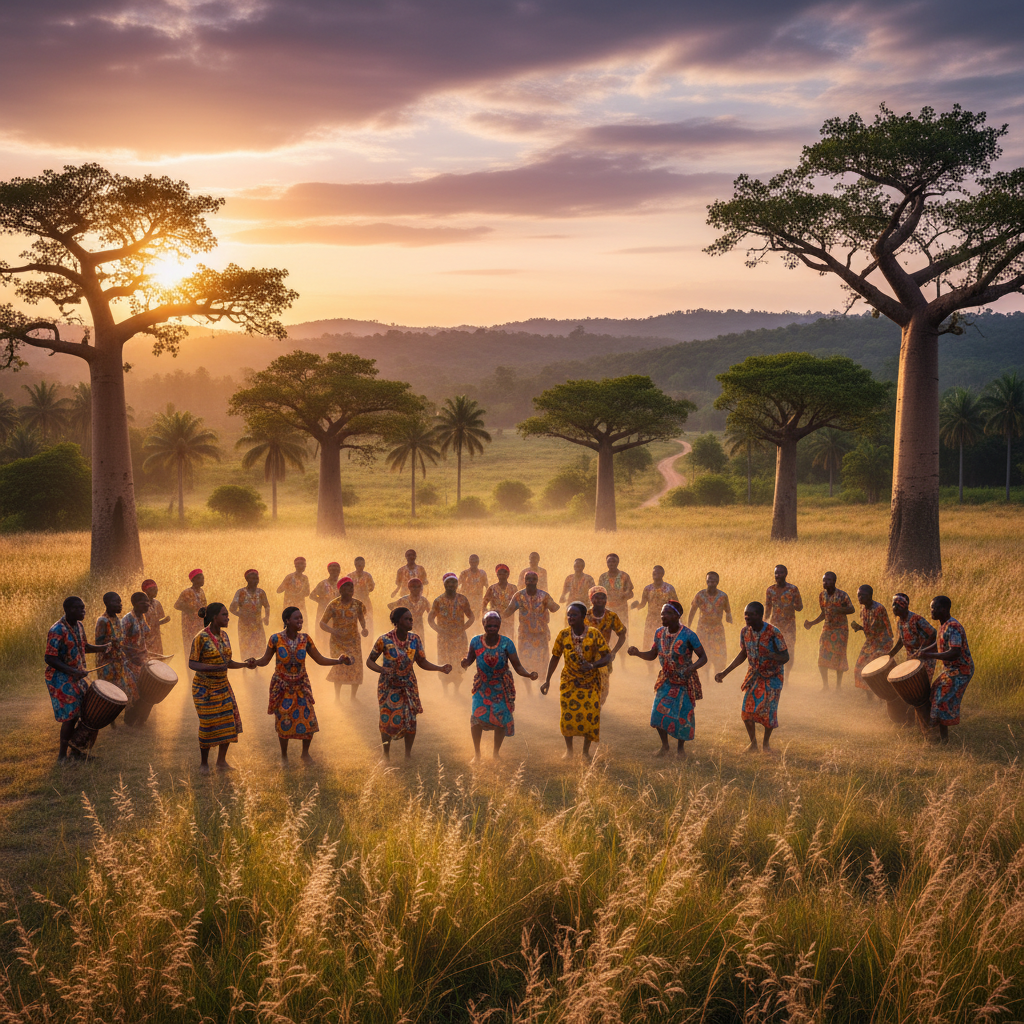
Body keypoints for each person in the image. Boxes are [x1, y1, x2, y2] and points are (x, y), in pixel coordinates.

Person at [253, 606, 351, 763]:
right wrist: (254, 663)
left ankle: (305, 754)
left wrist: (338, 661)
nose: (300, 621)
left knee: (308, 717)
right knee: (283, 718)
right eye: (296, 618)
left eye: (301, 618)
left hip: (301, 684)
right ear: (287, 621)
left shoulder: (305, 639)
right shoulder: (275, 639)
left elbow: (320, 659)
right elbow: (265, 660)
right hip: (282, 685)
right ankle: (284, 755)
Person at [366, 607, 452, 759]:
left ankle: (408, 754)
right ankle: (386, 755)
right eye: (407, 619)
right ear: (398, 621)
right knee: (387, 719)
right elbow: (369, 661)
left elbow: (421, 661)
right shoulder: (384, 640)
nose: (411, 621)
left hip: (408, 685)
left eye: (411, 619)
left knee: (410, 719)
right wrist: (382, 670)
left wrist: (440, 668)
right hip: (388, 686)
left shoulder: (415, 639)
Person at [627, 600, 707, 758]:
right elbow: (653, 654)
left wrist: (691, 668)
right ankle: (665, 746)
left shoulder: (689, 635)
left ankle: (680, 749)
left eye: (667, 613)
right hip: (666, 679)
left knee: (682, 715)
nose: (663, 616)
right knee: (657, 713)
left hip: (684, 680)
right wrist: (638, 653)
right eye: (662, 613)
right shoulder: (659, 633)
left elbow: (703, 657)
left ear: (677, 616)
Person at [189, 603, 256, 773]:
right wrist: (213, 668)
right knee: (208, 724)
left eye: (227, 614)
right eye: (224, 614)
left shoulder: (225, 636)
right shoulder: (201, 637)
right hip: (204, 688)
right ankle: (204, 763)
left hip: (222, 685)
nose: (228, 617)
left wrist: (244, 665)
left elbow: (227, 662)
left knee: (228, 721)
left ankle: (221, 762)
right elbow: (192, 663)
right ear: (214, 617)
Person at [462, 611, 537, 760]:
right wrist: (463, 662)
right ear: (483, 624)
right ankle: (477, 754)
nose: (492, 628)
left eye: (495, 625)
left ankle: (496, 753)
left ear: (500, 625)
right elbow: (469, 660)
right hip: (481, 686)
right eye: (489, 625)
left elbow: (517, 666)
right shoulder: (476, 641)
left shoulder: (507, 643)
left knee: (501, 719)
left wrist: (528, 674)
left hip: (501, 686)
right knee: (476, 717)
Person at [716, 602, 789, 754]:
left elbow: (785, 657)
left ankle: (766, 745)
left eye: (751, 614)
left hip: (773, 676)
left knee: (769, 711)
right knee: (746, 712)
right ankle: (753, 744)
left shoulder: (773, 632)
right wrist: (724, 672)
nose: (747, 617)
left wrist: (771, 655)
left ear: (760, 615)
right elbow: (743, 653)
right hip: (754, 675)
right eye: (745, 614)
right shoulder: (744, 632)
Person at [541, 602, 611, 760]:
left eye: (574, 615)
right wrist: (547, 680)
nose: (570, 617)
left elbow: (607, 656)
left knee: (590, 715)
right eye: (568, 615)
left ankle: (585, 752)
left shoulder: (594, 634)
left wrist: (593, 665)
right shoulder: (563, 635)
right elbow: (555, 657)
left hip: (590, 682)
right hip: (569, 681)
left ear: (583, 617)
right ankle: (569, 751)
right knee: (567, 715)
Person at [45, 596, 109, 762]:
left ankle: (78, 751)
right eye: (79, 608)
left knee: (88, 713)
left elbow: (84, 646)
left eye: (83, 607)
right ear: (68, 610)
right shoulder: (57, 629)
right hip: (60, 678)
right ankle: (62, 756)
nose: (83, 611)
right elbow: (50, 658)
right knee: (71, 716)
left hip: (76, 675)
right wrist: (72, 671)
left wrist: (104, 648)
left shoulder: (79, 625)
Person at [919, 596, 974, 744]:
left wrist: (930, 655)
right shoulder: (943, 625)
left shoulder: (953, 627)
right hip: (951, 670)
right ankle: (935, 734)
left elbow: (954, 652)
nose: (931, 610)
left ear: (943, 609)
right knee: (935, 692)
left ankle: (943, 740)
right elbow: (939, 644)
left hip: (961, 670)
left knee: (940, 698)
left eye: (934, 608)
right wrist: (924, 651)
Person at [504, 570, 559, 691]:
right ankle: (528, 690)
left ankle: (541, 686)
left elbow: (555, 608)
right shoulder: (519, 596)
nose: (530, 581)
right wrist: (496, 614)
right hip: (525, 635)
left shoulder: (544, 595)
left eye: (533, 579)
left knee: (542, 661)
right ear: (524, 581)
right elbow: (508, 611)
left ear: (537, 581)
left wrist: (550, 604)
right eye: (528, 579)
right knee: (524, 661)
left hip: (541, 634)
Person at [320, 577, 368, 701]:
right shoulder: (333, 604)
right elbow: (322, 623)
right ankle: (337, 697)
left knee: (355, 665)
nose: (351, 590)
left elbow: (361, 617)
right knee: (339, 665)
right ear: (341, 590)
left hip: (353, 640)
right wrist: (333, 631)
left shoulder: (358, 604)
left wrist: (364, 628)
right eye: (347, 588)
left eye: (352, 587)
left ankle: (353, 696)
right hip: (337, 641)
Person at [804, 572, 853, 689]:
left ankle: (838, 686)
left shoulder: (842, 595)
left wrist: (838, 609)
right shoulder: (822, 595)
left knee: (839, 656)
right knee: (822, 655)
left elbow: (851, 609)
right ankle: (825, 685)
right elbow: (823, 614)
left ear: (834, 581)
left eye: (828, 580)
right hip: (827, 628)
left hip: (841, 629)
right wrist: (812, 623)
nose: (825, 583)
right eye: (824, 580)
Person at [429, 572, 475, 695]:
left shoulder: (462, 599)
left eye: (453, 582)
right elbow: (430, 619)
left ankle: (456, 690)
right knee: (445, 661)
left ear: (457, 584)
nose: (451, 585)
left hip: (459, 638)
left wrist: (463, 627)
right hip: (444, 639)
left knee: (458, 662)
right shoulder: (438, 601)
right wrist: (439, 630)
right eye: (448, 582)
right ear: (444, 584)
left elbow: (471, 616)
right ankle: (445, 691)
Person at [687, 571, 732, 686]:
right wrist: (688, 626)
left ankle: (717, 679)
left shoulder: (723, 596)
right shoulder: (700, 595)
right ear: (706, 581)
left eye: (713, 581)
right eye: (709, 581)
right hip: (702, 630)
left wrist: (728, 617)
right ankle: (705, 681)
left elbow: (728, 611)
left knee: (719, 655)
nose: (711, 583)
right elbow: (692, 611)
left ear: (717, 582)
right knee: (703, 654)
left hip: (717, 630)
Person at [95, 592, 138, 709]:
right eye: (116, 602)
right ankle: (110, 720)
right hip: (107, 664)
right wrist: (111, 648)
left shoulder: (117, 619)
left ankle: (125, 716)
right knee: (111, 692)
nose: (120, 605)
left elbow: (120, 641)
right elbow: (98, 644)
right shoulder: (103, 621)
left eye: (120, 602)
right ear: (107, 603)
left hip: (119, 661)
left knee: (129, 688)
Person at [850, 584, 894, 697]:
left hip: (882, 642)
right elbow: (869, 631)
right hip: (871, 642)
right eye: (858, 595)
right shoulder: (863, 610)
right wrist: (860, 628)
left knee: (876, 670)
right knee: (859, 668)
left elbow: (887, 630)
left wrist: (888, 647)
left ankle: (882, 697)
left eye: (863, 595)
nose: (860, 598)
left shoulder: (879, 608)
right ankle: (869, 695)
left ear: (870, 596)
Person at [585, 586, 627, 705]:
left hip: (604, 656)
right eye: (596, 597)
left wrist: (613, 651)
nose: (600, 600)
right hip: (586, 654)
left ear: (606, 599)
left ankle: (598, 706)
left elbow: (622, 634)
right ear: (591, 600)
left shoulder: (611, 616)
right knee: (586, 683)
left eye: (603, 597)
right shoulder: (585, 615)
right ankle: (589, 706)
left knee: (603, 685)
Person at [764, 565, 802, 682]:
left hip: (789, 626)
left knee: (789, 651)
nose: (778, 575)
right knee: (774, 650)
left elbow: (800, 607)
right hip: (775, 625)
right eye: (776, 573)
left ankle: (787, 677)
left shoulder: (793, 589)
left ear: (786, 574)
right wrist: (764, 624)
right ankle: (776, 676)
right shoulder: (770, 590)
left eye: (780, 573)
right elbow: (768, 609)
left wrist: (791, 605)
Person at [121, 591, 153, 726]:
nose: (146, 605)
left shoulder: (142, 617)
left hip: (141, 661)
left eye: (147, 602)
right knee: (135, 692)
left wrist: (145, 653)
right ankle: (129, 721)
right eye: (142, 603)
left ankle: (141, 719)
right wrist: (135, 655)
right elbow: (120, 643)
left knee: (150, 690)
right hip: (128, 663)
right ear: (134, 604)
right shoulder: (127, 619)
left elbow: (144, 636)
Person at [632, 565, 679, 655]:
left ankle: (663, 663)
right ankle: (650, 665)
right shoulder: (648, 589)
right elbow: (643, 604)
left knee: (665, 642)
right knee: (649, 642)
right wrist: (635, 606)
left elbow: (676, 603)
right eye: (654, 572)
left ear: (662, 574)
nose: (655, 574)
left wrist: (677, 618)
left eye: (658, 572)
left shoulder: (669, 588)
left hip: (665, 620)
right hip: (651, 619)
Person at [887, 593, 937, 673]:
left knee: (921, 684)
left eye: (899, 605)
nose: (895, 608)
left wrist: (922, 650)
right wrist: (890, 654)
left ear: (906, 606)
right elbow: (902, 640)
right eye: (894, 604)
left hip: (925, 658)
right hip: (912, 657)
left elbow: (933, 634)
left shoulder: (916, 619)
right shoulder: (900, 622)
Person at [229, 569, 271, 663]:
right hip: (245, 626)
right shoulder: (241, 592)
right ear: (247, 579)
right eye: (253, 578)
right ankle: (246, 670)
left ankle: (259, 670)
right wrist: (241, 614)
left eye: (257, 578)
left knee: (260, 648)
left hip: (258, 625)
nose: (256, 580)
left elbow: (267, 605)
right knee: (246, 649)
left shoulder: (261, 592)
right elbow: (232, 608)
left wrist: (266, 617)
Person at [310, 562, 342, 649]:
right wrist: (321, 601)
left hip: (337, 613)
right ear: (328, 571)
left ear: (339, 571)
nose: (334, 572)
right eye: (332, 570)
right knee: (323, 633)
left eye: (336, 570)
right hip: (324, 612)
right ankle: (323, 652)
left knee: (336, 633)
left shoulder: (342, 584)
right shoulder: (322, 584)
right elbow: (312, 595)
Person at [598, 553, 634, 631]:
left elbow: (630, 592)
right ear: (606, 563)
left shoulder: (624, 576)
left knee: (621, 630)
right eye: (609, 562)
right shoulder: (603, 577)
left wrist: (624, 595)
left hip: (621, 609)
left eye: (613, 561)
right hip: (607, 609)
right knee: (607, 631)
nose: (611, 564)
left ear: (618, 562)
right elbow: (599, 592)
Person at [174, 569, 206, 655]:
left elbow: (204, 606)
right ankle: (190, 668)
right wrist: (189, 610)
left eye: (203, 578)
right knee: (190, 647)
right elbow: (177, 605)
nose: (202, 580)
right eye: (199, 578)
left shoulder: (202, 592)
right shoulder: (187, 592)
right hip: (189, 626)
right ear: (193, 580)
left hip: (200, 625)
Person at [483, 565, 518, 638]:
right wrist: (486, 615)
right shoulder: (492, 589)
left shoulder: (513, 588)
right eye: (499, 574)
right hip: (494, 620)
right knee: (494, 639)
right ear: (497, 575)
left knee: (508, 639)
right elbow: (484, 603)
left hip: (509, 620)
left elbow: (519, 603)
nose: (502, 576)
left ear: (508, 574)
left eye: (504, 573)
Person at [141, 579, 169, 656]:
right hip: (146, 638)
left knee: (158, 656)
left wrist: (164, 620)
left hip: (156, 637)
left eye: (156, 589)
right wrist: (163, 621)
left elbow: (157, 621)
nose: (156, 591)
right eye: (152, 589)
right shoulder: (142, 605)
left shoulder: (157, 603)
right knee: (149, 657)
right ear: (146, 591)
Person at [351, 557, 376, 636]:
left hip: (365, 601)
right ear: (355, 565)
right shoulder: (350, 576)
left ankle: (368, 640)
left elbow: (371, 587)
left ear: (364, 565)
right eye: (358, 564)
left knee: (368, 620)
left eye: (361, 564)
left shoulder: (367, 576)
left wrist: (365, 590)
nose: (359, 566)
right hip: (353, 601)